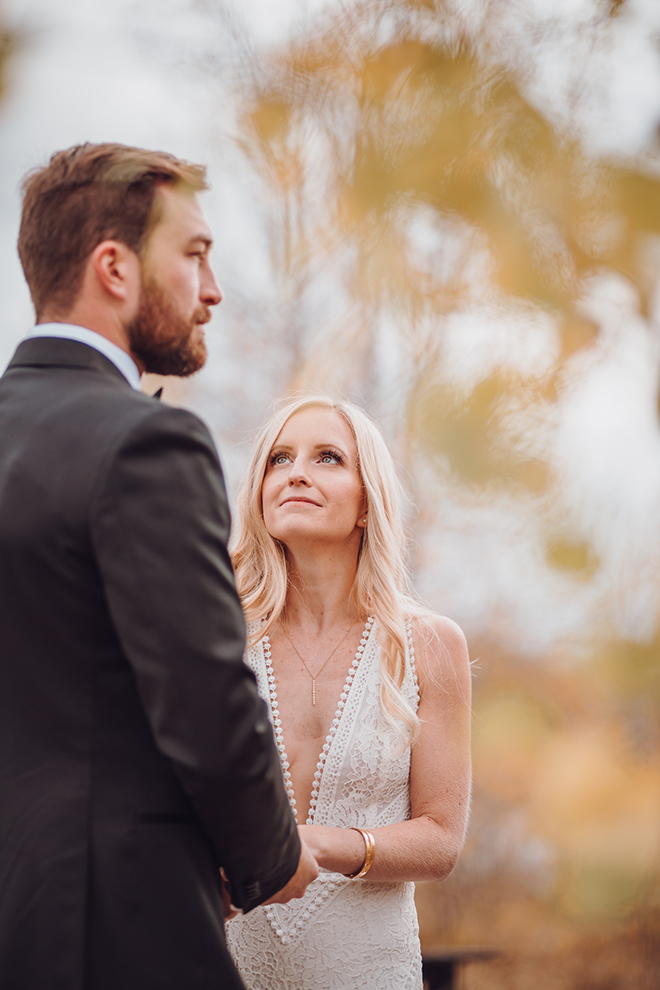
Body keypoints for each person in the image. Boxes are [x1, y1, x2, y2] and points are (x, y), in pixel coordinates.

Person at [0, 143, 317, 990]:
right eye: (195, 255)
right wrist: (271, 858)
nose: (211, 292)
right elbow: (203, 692)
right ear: (114, 267)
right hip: (115, 923)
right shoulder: (147, 443)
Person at [226, 396, 472, 990]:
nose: (296, 472)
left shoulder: (429, 644)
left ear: (368, 503)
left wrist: (313, 845)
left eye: (328, 457)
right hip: (220, 960)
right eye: (279, 459)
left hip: (367, 969)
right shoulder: (215, 636)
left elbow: (440, 838)